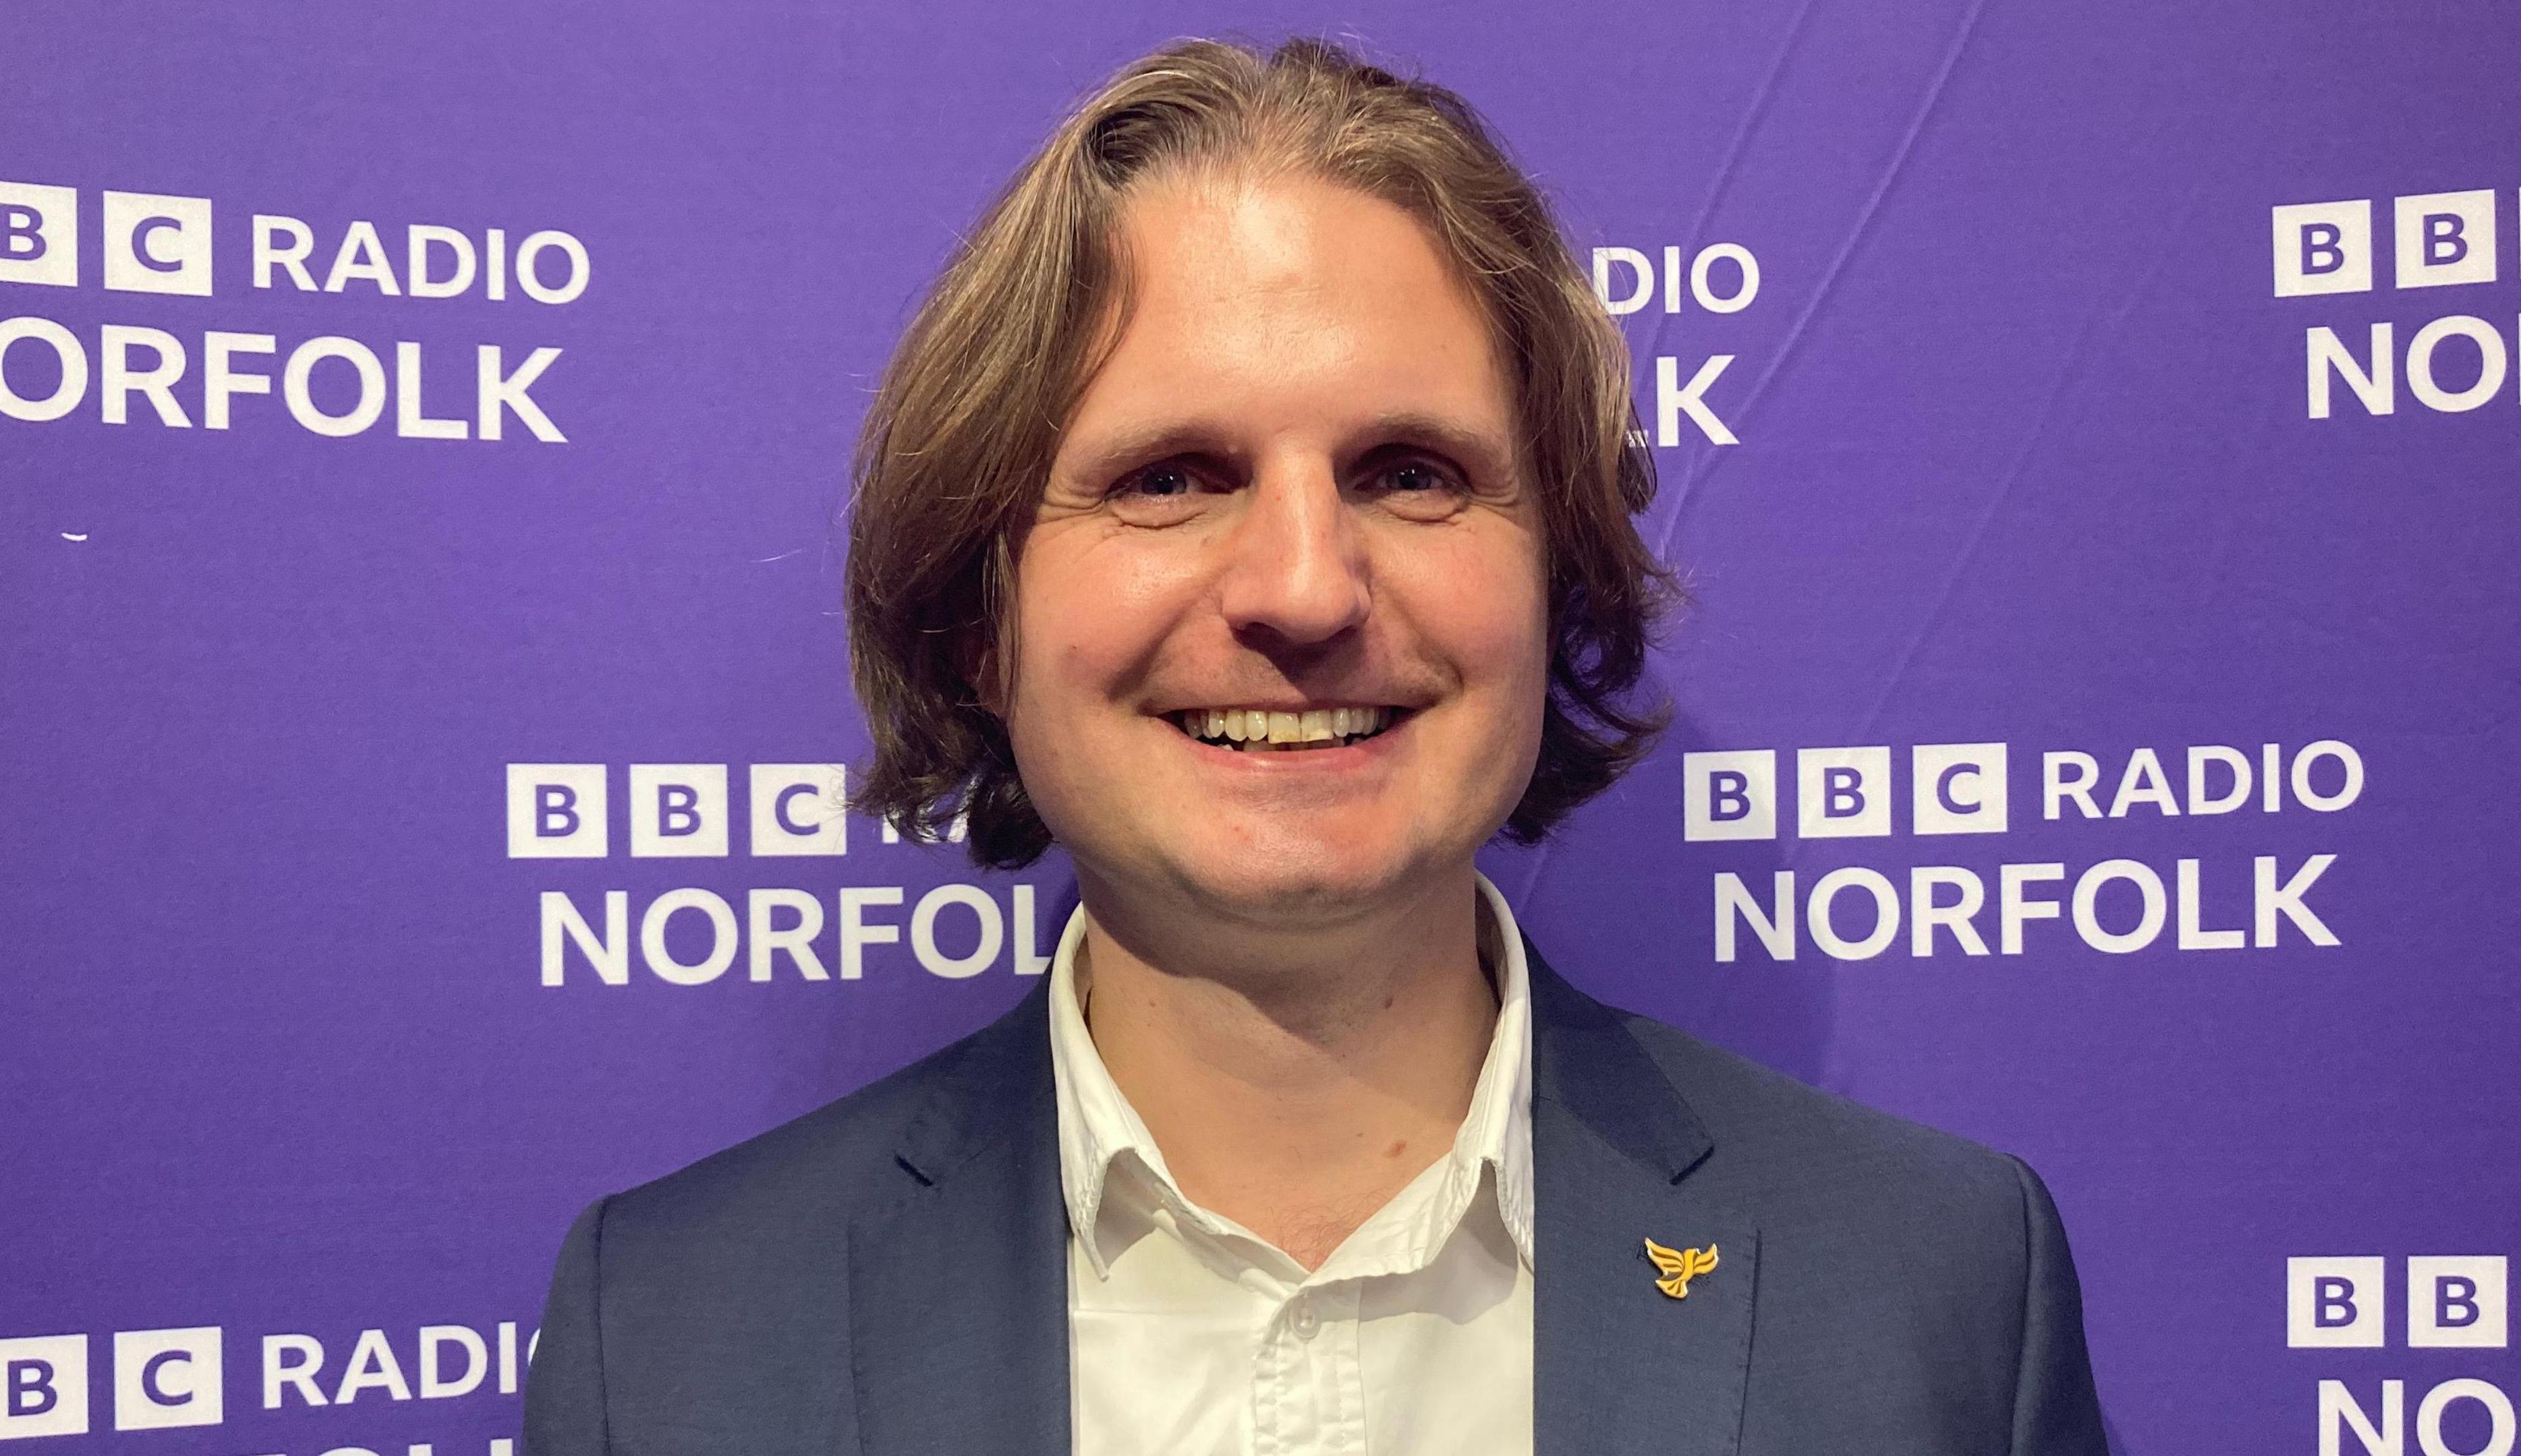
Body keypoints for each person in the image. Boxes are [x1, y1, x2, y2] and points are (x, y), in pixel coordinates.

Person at [524, 35, 2108, 1456]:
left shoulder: (1943, 1290)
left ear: (1556, 581)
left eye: (1411, 471)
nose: (1303, 587)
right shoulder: (666, 1340)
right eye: (1170, 477)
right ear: (978, 626)